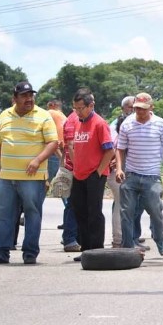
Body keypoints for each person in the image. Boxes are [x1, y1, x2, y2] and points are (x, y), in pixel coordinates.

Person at [0, 81, 59, 265]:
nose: (29, 99)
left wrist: (37, 160)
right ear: (14, 98)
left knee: (33, 213)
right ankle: (1, 252)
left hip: (32, 178)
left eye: (31, 95)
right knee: (3, 215)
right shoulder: (4, 115)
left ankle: (30, 253)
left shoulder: (43, 116)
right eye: (24, 95)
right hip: (7, 177)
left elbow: (53, 143)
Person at [115, 92, 163, 255]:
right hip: (131, 174)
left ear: (151, 108)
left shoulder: (160, 124)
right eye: (137, 109)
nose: (140, 112)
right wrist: (119, 168)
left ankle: (159, 239)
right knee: (127, 212)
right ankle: (127, 247)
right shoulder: (127, 124)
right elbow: (120, 149)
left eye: (143, 109)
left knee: (155, 210)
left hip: (152, 176)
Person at [70, 89, 115, 261]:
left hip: (94, 175)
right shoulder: (78, 122)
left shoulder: (99, 123)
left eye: (81, 108)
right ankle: (86, 250)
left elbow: (109, 150)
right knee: (79, 211)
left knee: (94, 212)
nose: (78, 112)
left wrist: (97, 172)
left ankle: (96, 250)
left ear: (91, 105)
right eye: (75, 108)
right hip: (79, 174)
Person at [106, 95, 134, 248]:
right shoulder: (118, 128)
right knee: (121, 205)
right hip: (117, 173)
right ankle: (119, 240)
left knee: (123, 205)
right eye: (131, 106)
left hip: (121, 172)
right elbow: (112, 148)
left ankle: (125, 239)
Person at [51, 110, 81, 252]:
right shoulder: (74, 119)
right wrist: (77, 168)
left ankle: (73, 237)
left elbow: (64, 147)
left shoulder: (71, 119)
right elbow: (69, 145)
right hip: (75, 169)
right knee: (73, 204)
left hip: (72, 167)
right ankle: (70, 238)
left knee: (73, 204)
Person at [46, 99, 66, 184]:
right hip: (64, 151)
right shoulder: (65, 117)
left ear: (52, 105)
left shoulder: (50, 112)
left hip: (54, 152)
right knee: (63, 182)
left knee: (45, 182)